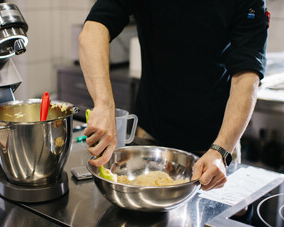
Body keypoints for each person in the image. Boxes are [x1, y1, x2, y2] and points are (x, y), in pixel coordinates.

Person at [79, 0, 269, 191]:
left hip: (217, 142)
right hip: (151, 136)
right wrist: (104, 104)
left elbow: (247, 75)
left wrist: (220, 150)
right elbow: (93, 30)